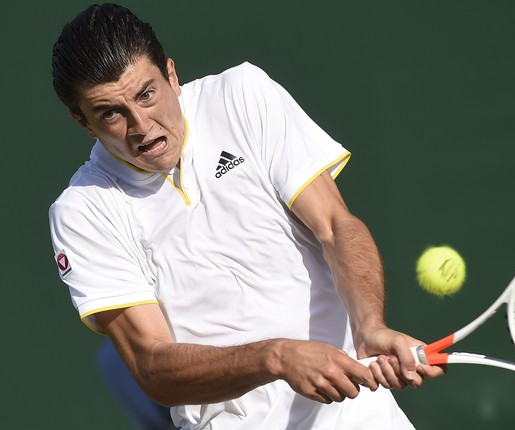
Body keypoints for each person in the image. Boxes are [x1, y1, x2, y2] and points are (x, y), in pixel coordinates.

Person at [49, 3, 445, 429]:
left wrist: (370, 326)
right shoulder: (82, 211)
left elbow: (334, 225)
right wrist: (276, 357)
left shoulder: (242, 94)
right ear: (83, 121)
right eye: (111, 113)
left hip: (361, 416)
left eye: (147, 94)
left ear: (171, 75)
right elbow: (152, 366)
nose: (142, 126)